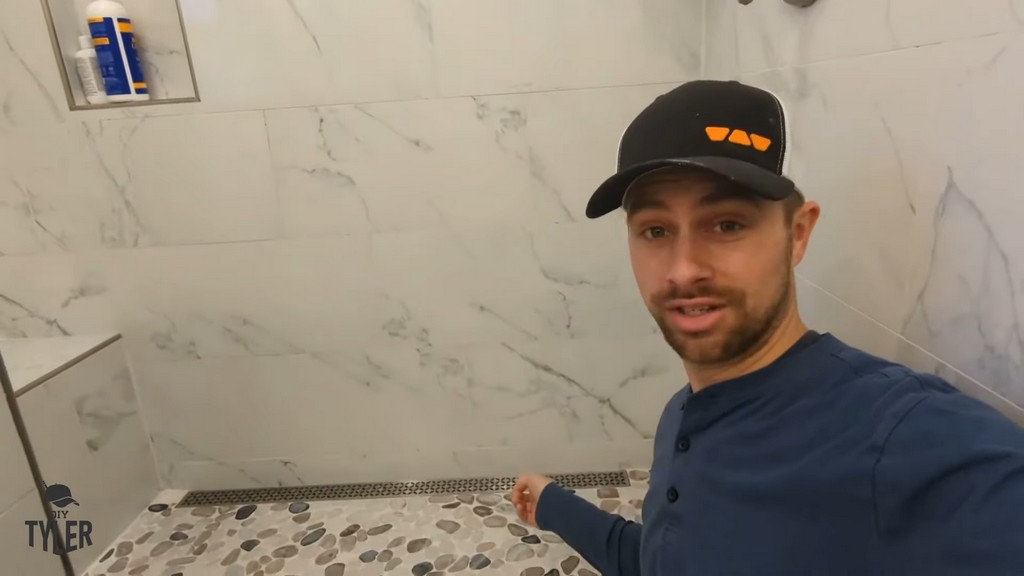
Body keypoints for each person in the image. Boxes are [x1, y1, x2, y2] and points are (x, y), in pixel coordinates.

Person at [511, 80, 1024, 575]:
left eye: (727, 224)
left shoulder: (899, 437)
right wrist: (554, 505)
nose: (684, 268)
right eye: (656, 230)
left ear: (797, 235)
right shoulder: (683, 417)